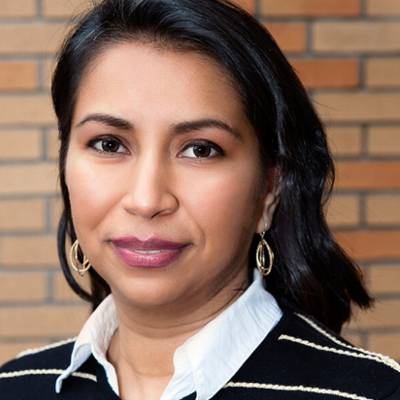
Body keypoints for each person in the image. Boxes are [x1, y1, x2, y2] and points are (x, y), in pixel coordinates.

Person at [1, 0, 399, 399]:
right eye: (109, 144)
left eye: (200, 150)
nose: (146, 199)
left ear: (269, 189)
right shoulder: (16, 386)